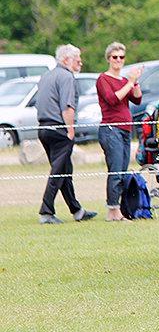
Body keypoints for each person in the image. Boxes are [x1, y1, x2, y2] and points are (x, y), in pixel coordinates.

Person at [37, 44, 96, 224]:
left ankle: (77, 210)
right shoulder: (66, 77)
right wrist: (70, 130)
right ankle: (46, 212)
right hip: (59, 129)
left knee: (64, 170)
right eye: (76, 57)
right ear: (65, 60)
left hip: (44, 128)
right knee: (58, 171)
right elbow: (67, 106)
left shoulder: (46, 76)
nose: (80, 61)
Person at [96, 42, 143, 221]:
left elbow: (137, 99)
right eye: (114, 57)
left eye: (121, 57)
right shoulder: (103, 79)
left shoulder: (124, 81)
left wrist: (135, 81)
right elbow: (112, 99)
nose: (118, 60)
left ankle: (120, 209)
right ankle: (112, 210)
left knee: (122, 171)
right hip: (111, 129)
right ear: (108, 58)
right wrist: (129, 82)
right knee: (115, 170)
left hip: (125, 130)